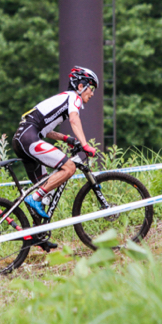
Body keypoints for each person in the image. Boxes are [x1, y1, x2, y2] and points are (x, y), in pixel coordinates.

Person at [12, 66, 99, 249]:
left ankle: (38, 237)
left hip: (24, 138)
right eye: (92, 89)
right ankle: (34, 198)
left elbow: (45, 129)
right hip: (28, 139)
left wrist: (66, 138)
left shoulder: (61, 99)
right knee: (69, 168)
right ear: (81, 86)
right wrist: (84, 144)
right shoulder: (73, 97)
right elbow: (75, 120)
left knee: (46, 189)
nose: (92, 94)